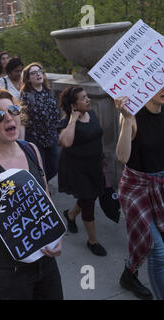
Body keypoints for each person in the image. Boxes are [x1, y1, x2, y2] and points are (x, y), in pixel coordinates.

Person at [0, 87, 63, 300]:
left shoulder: (31, 150)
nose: (8, 117)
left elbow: (44, 196)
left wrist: (56, 234)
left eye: (13, 110)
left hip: (44, 261)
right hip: (6, 272)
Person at [115, 89, 164, 300]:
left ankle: (129, 272)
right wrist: (127, 120)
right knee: (157, 249)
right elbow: (122, 156)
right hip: (136, 188)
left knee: (146, 242)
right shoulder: (132, 115)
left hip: (161, 185)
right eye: (158, 84)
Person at [58, 86, 107, 256]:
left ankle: (71, 215)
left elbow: (96, 136)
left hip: (94, 165)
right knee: (88, 202)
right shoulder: (66, 122)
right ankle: (92, 241)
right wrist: (73, 119)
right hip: (77, 168)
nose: (88, 100)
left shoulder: (92, 114)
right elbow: (66, 143)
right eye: (83, 98)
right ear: (73, 105)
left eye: (87, 96)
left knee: (90, 196)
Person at [20, 62, 60, 182]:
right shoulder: (26, 96)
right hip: (35, 139)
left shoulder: (50, 93)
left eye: (40, 71)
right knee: (40, 170)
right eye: (33, 73)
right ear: (28, 78)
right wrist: (21, 143)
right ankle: (44, 191)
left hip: (51, 137)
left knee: (54, 167)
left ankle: (43, 186)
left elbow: (56, 116)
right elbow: (23, 120)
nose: (38, 74)